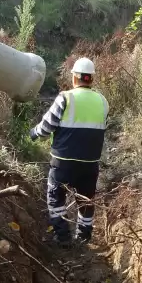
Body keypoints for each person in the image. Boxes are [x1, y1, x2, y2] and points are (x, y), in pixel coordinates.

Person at [29, 57, 109, 247]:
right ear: (92, 79)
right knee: (86, 200)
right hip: (90, 164)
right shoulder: (103, 101)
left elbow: (47, 127)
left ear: (75, 77)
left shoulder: (65, 98)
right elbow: (101, 128)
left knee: (55, 197)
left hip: (63, 163)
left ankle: (63, 237)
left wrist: (33, 133)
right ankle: (84, 237)